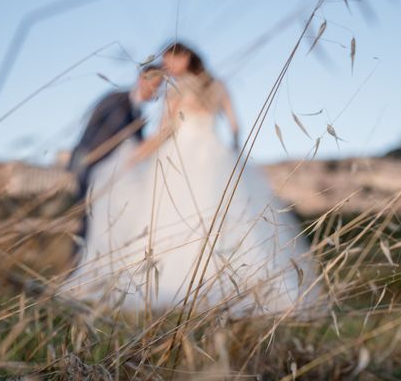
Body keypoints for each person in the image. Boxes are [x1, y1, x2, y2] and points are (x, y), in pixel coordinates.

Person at [70, 42, 318, 315]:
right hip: (216, 155)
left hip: (181, 158)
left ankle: (176, 287)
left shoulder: (177, 90)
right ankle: (243, 285)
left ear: (186, 57)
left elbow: (165, 131)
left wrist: (134, 157)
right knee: (227, 220)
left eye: (171, 62)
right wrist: (231, 153)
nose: (168, 69)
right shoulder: (218, 85)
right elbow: (235, 126)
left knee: (174, 218)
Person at [64, 65, 163, 296]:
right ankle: (76, 273)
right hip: (94, 165)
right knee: (84, 222)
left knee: (97, 222)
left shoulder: (139, 114)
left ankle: (93, 275)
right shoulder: (116, 99)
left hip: (117, 173)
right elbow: (93, 133)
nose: (154, 91)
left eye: (159, 86)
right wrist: (84, 163)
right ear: (141, 79)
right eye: (153, 84)